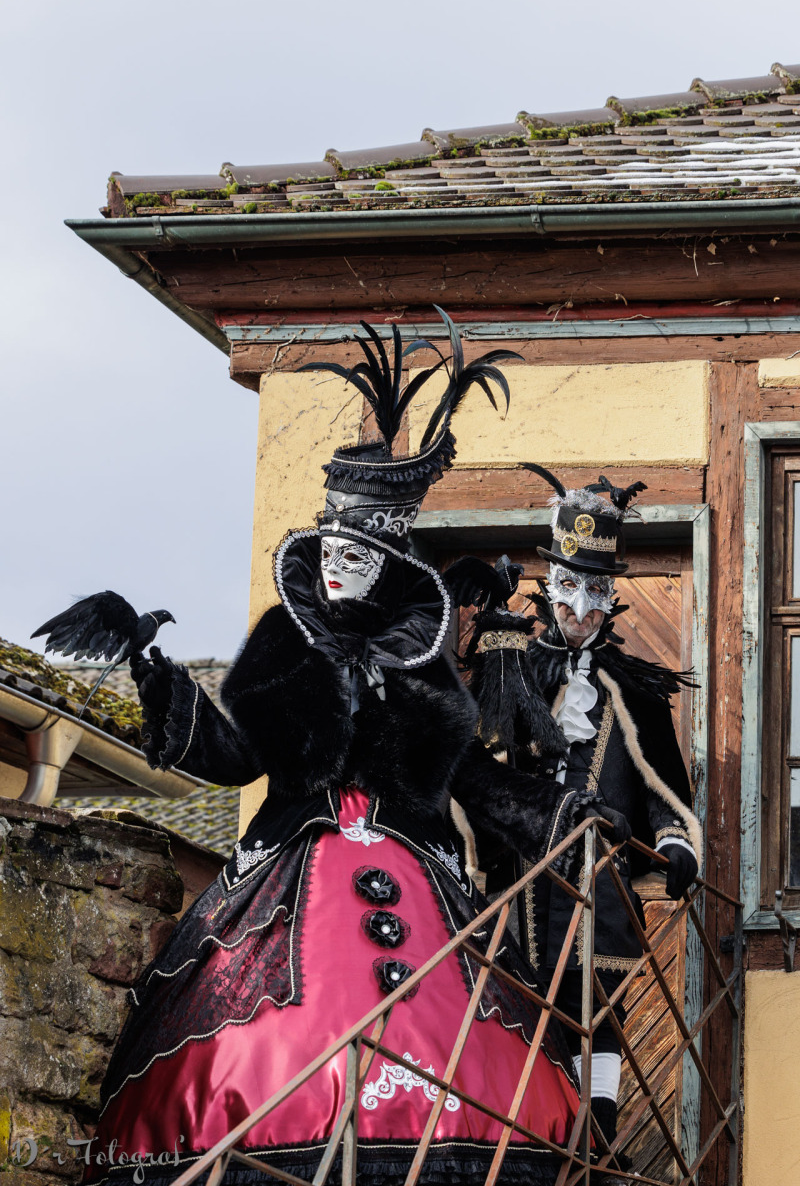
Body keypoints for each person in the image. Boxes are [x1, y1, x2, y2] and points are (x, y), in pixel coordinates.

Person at [85, 317, 605, 1186]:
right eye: (330, 545)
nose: (337, 565)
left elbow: (466, 775)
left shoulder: (424, 660)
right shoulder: (283, 640)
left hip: (417, 865)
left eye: (358, 553)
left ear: (390, 557)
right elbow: (238, 753)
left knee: (455, 1025)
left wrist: (558, 814)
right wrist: (160, 680)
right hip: (290, 872)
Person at [449, 466, 701, 1154]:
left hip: (599, 884)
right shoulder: (509, 674)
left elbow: (664, 792)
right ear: (550, 586)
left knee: (596, 1011)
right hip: (516, 881)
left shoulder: (635, 693)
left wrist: (676, 843)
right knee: (512, 1009)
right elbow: (474, 772)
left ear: (610, 598)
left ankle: (597, 1137)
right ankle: (524, 1144)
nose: (581, 610)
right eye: (569, 588)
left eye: (595, 593)